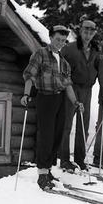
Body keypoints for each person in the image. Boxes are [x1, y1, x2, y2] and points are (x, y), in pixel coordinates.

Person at [21, 25, 84, 190]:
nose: (61, 43)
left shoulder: (64, 62)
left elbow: (68, 84)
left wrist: (75, 102)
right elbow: (29, 74)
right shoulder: (40, 54)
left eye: (63, 41)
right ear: (50, 38)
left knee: (57, 135)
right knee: (46, 136)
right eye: (58, 39)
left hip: (60, 99)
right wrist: (26, 94)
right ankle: (42, 175)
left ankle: (48, 170)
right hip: (45, 98)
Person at [59, 19, 100, 171]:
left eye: (91, 32)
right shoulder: (69, 48)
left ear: (94, 33)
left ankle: (80, 159)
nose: (88, 34)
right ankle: (63, 159)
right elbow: (60, 68)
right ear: (80, 31)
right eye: (85, 31)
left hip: (87, 90)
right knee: (67, 124)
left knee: (83, 125)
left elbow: (99, 68)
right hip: (71, 88)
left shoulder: (96, 50)